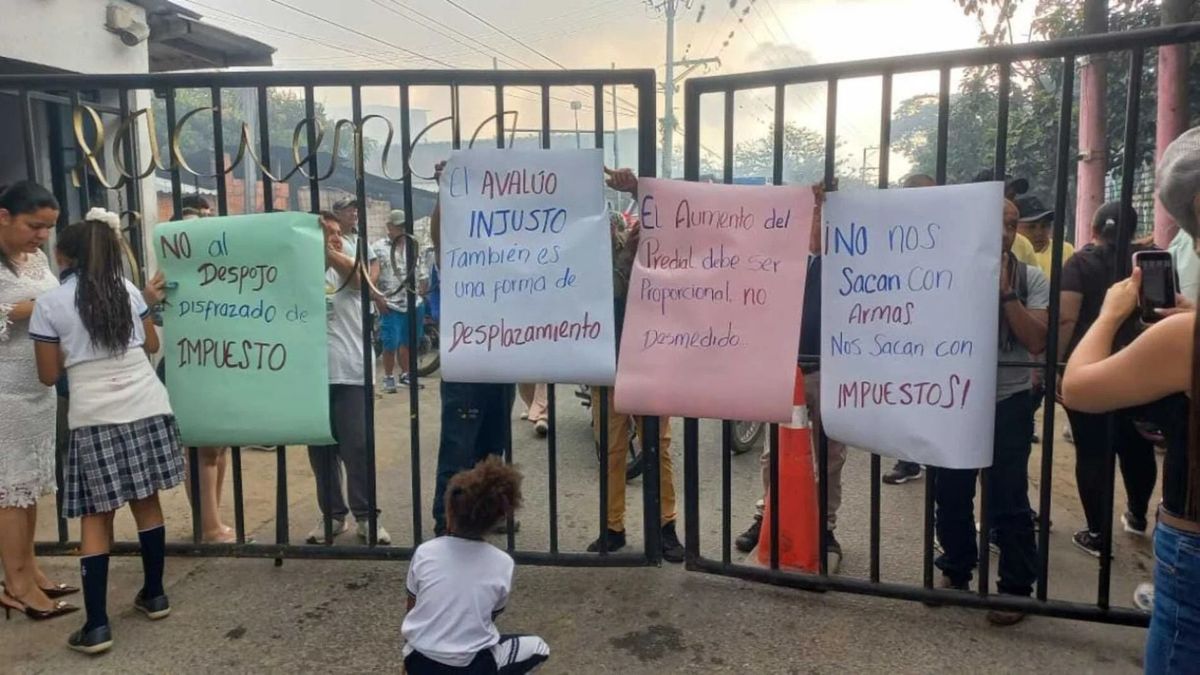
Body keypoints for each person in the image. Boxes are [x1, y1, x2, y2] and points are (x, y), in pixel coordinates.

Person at [1062, 126, 1200, 675]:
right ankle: (1129, 516)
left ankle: (1104, 528)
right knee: (1132, 455)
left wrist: (1111, 314)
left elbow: (1079, 387)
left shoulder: (1186, 339)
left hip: (1193, 541)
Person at [31, 212, 184, 654]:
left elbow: (47, 375)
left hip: (95, 416)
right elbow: (151, 345)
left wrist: (76, 352)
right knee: (147, 501)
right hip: (147, 406)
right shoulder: (129, 290)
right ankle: (155, 595)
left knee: (95, 518)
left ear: (63, 256)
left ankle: (97, 626)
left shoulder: (50, 303)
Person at [934, 199, 1046, 627]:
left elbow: (1036, 340)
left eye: (1012, 224)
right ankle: (956, 567)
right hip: (956, 397)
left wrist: (1005, 293)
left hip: (1008, 401)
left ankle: (1016, 588)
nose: (1004, 231)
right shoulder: (946, 272)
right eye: (995, 222)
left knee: (1008, 495)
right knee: (951, 491)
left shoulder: (1031, 278)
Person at [736, 183, 847, 570]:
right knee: (775, 454)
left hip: (830, 371)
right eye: (811, 214)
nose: (816, 224)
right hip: (788, 371)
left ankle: (825, 526)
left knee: (830, 455)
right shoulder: (784, 259)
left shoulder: (846, 262)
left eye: (822, 216)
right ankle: (768, 517)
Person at [587, 167, 684, 563]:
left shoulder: (652, 243)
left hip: (649, 359)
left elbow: (677, 215)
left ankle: (665, 527)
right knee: (611, 449)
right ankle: (613, 527)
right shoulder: (592, 262)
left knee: (657, 447)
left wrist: (640, 187)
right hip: (605, 363)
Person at [1057, 201, 1158, 557]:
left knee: (1092, 451)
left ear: (1094, 228)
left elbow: (1066, 318)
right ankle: (1137, 515)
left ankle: (1098, 534)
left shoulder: (1079, 264)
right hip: (1141, 367)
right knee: (1138, 447)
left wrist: (1058, 366)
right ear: (1133, 230)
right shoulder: (1149, 261)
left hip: (1091, 369)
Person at [0, 181, 80, 621]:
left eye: (48, 228)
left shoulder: (35, 259)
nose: (42, 236)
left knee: (29, 487)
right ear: (4, 217)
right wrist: (44, 305)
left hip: (37, 392)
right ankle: (16, 585)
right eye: (34, 226)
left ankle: (30, 570)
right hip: (4, 396)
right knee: (10, 492)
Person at [429, 162, 518, 538]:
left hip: (502, 365)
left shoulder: (511, 265)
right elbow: (439, 236)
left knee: (493, 447)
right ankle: (447, 520)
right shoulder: (457, 257)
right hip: (465, 367)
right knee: (458, 447)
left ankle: (487, 514)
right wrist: (445, 193)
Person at [402, 457, 549, 674]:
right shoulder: (502, 563)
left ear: (449, 514)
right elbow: (489, 615)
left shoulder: (425, 552)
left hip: (418, 661)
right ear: (497, 519)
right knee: (539, 647)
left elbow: (412, 606)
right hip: (471, 666)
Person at [307, 209, 390, 545]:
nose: (335, 236)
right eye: (326, 231)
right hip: (312, 373)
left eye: (337, 231)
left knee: (357, 446)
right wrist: (315, 251)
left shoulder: (351, 255)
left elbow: (359, 281)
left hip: (352, 370)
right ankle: (332, 515)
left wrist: (329, 251)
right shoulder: (302, 262)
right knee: (321, 450)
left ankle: (367, 517)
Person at [882, 173, 938, 485]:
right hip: (900, 335)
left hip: (941, 338)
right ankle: (909, 460)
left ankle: (933, 456)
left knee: (936, 399)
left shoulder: (952, 230)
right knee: (906, 400)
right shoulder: (890, 233)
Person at [371, 209, 428, 393]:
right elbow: (371, 276)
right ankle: (388, 377)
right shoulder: (378, 248)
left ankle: (406, 374)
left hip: (413, 302)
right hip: (391, 303)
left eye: (404, 225)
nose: (402, 229)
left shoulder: (413, 245)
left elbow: (422, 271)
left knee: (410, 341)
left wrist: (423, 291)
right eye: (399, 226)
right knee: (390, 342)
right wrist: (377, 298)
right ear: (389, 227)